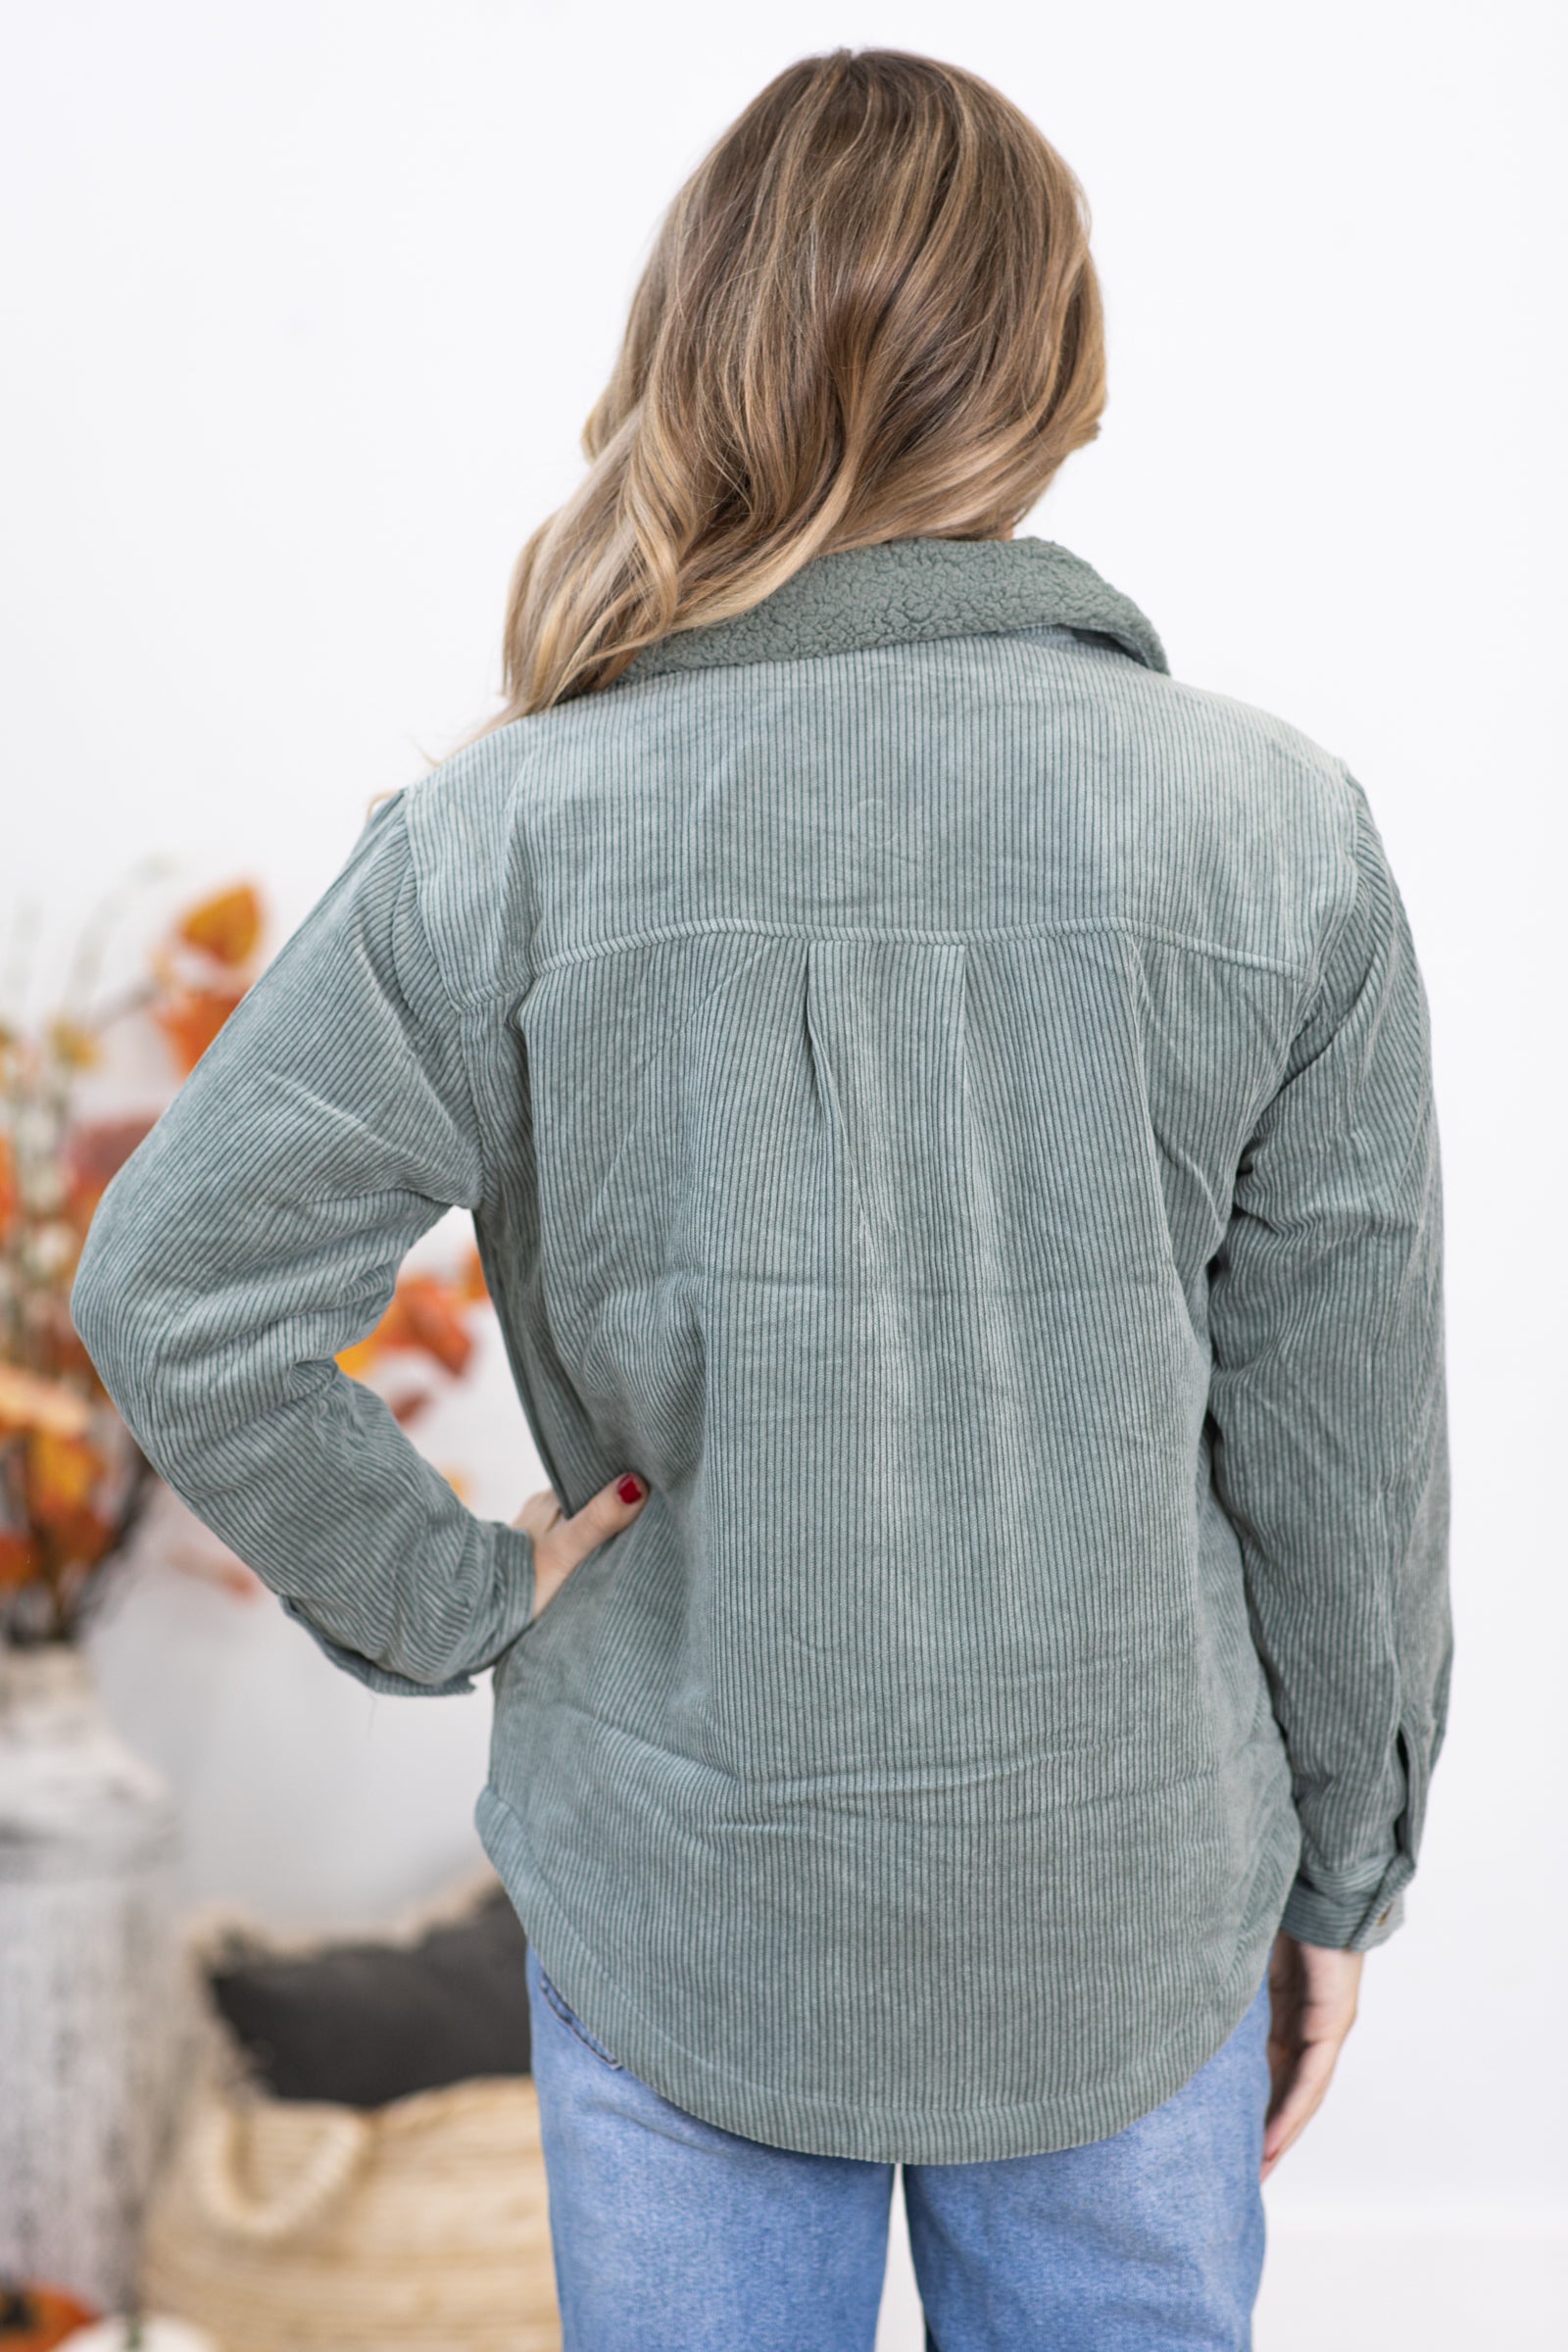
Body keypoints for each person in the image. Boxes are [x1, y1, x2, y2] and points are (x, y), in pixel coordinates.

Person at [71, 45, 1450, 2352]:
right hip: (1124, 1892)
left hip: (680, 1889)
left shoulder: (506, 834)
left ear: (691, 348)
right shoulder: (1271, 836)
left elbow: (172, 1282)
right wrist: (1342, 1869)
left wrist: (446, 1596)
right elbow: (1342, 1454)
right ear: (1061, 371)